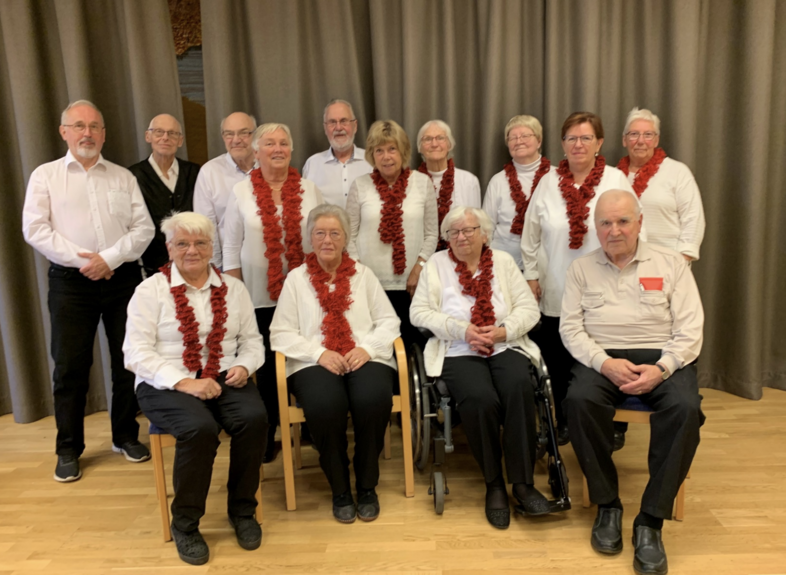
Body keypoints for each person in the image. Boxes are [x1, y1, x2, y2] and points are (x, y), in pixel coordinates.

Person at [560, 189, 704, 575]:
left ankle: (651, 521)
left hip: (662, 358)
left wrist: (664, 367)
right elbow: (571, 329)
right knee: (578, 401)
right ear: (596, 226)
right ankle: (607, 505)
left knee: (685, 409)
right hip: (603, 358)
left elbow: (691, 328)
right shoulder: (581, 269)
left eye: (623, 221)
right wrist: (604, 363)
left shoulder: (671, 264)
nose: (614, 230)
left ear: (640, 222)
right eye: (605, 222)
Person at [22, 100, 155, 483]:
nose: (87, 133)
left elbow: (143, 229)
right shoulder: (45, 176)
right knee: (69, 367)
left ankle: (125, 435)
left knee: (127, 360)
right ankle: (68, 448)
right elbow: (35, 229)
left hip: (122, 278)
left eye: (95, 126)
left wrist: (109, 259)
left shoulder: (121, 177)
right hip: (70, 284)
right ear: (64, 131)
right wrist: (85, 262)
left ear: (104, 133)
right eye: (79, 125)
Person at [123, 212, 267, 565]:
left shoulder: (234, 289)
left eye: (200, 243)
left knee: (256, 418)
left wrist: (243, 366)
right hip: (166, 381)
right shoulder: (149, 290)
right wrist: (184, 382)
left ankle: (242, 511)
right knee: (199, 429)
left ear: (211, 247)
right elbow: (135, 352)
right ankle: (185, 524)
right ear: (169, 247)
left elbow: (252, 341)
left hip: (223, 374)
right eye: (183, 243)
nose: (192, 250)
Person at [410, 206, 550, 529]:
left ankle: (523, 483)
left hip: (504, 343)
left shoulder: (502, 262)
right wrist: (461, 329)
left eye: (468, 230)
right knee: (480, 398)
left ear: (484, 234)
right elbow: (418, 313)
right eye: (453, 232)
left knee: (519, 386)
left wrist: (504, 331)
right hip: (458, 349)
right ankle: (495, 483)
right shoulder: (436, 265)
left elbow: (529, 309)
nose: (460, 237)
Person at [270, 204, 400, 524]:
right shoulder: (297, 280)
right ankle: (340, 487)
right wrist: (318, 353)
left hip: (363, 354)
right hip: (312, 359)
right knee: (325, 405)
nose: (327, 240)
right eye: (320, 233)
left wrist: (368, 348)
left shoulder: (363, 275)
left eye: (334, 233)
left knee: (372, 399)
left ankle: (367, 484)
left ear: (345, 238)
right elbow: (280, 332)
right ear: (310, 239)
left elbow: (389, 321)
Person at [521, 111, 635, 445]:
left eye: (586, 138)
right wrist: (530, 275)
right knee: (558, 357)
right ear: (562, 144)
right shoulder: (547, 181)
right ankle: (565, 421)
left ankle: (612, 423)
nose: (578, 145)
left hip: (606, 285)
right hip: (557, 281)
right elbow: (531, 235)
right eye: (571, 138)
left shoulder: (615, 180)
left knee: (605, 352)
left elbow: (632, 231)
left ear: (600, 143)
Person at [223, 123, 323, 463]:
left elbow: (322, 236)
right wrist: (235, 292)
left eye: (283, 143)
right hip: (256, 292)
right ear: (256, 151)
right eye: (269, 143)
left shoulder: (309, 189)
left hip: (305, 291)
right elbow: (230, 245)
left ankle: (312, 423)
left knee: (307, 356)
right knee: (265, 364)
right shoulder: (240, 192)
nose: (277, 148)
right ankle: (267, 432)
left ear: (291, 151)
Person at [346, 119, 438, 349]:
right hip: (370, 284)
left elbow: (431, 234)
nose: (386, 156)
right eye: (379, 150)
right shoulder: (360, 185)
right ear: (371, 155)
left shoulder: (422, 183)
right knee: (377, 347)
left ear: (403, 151)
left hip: (412, 285)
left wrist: (419, 267)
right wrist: (360, 274)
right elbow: (348, 236)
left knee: (409, 345)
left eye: (392, 149)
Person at [618, 107, 705, 262]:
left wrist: (680, 261)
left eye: (648, 135)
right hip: (624, 265)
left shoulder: (678, 172)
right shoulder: (615, 176)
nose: (640, 141)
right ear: (624, 140)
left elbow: (693, 218)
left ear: (656, 140)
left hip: (667, 263)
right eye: (634, 134)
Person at [129, 114, 201, 276]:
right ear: (148, 136)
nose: (165, 138)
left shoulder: (195, 172)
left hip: (193, 263)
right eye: (159, 132)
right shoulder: (132, 176)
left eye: (172, 133)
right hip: (151, 268)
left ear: (180, 140)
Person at [483, 115, 552, 269]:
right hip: (505, 263)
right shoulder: (497, 181)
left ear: (539, 141)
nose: (519, 141)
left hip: (547, 263)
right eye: (512, 137)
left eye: (525, 136)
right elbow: (487, 227)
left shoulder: (556, 177)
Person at [193, 111, 257, 268]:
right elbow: (206, 226)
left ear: (255, 135)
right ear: (223, 137)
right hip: (227, 265)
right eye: (229, 134)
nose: (236, 140)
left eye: (244, 133)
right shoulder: (210, 172)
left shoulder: (269, 168)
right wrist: (215, 268)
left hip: (266, 261)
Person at [415, 120, 481, 250]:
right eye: (427, 139)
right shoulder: (412, 182)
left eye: (440, 138)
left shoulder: (468, 181)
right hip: (420, 254)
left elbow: (475, 225)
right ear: (420, 147)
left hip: (460, 252)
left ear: (449, 144)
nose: (434, 144)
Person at [302, 99, 373, 209]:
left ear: (355, 125)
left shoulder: (372, 161)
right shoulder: (312, 165)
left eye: (344, 121)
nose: (339, 128)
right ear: (325, 128)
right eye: (332, 122)